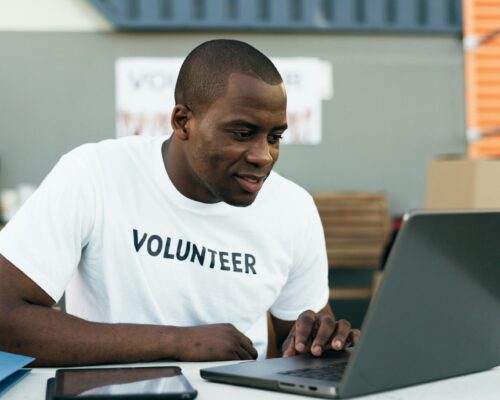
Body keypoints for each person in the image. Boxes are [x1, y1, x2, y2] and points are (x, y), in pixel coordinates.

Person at [0, 39, 359, 366]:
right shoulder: (94, 174)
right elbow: (6, 317)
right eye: (243, 133)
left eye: (275, 137)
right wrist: (178, 342)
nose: (263, 156)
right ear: (183, 121)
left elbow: (296, 341)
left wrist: (322, 344)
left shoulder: (293, 207)